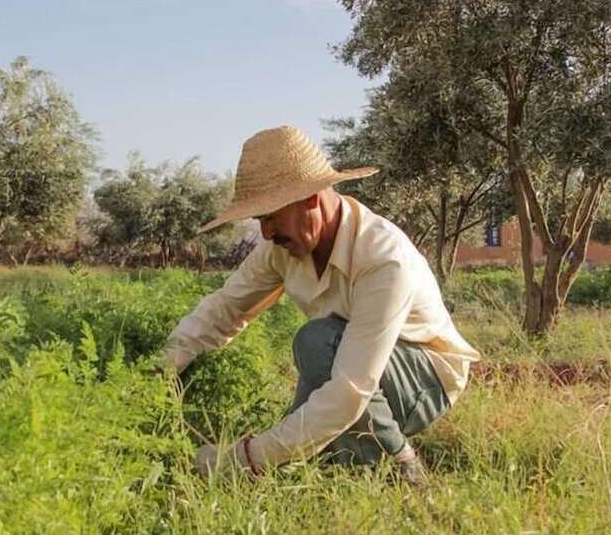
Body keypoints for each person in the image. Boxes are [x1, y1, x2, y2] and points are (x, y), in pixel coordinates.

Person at [159, 126, 481, 486]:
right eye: (259, 220)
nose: (265, 233)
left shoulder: (383, 257)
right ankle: (347, 458)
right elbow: (225, 309)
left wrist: (244, 458)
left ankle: (402, 468)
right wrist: (161, 367)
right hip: (354, 362)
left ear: (310, 199)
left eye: (270, 217)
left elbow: (348, 390)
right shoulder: (280, 250)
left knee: (317, 341)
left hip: (426, 377)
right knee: (306, 433)